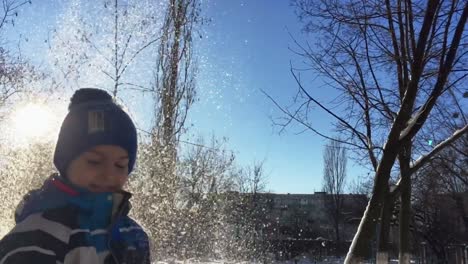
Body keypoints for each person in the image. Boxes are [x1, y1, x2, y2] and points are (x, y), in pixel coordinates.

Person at [0, 88, 150, 263]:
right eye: (94, 161)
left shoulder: (134, 235)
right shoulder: (35, 236)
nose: (109, 175)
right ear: (66, 163)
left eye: (120, 165)